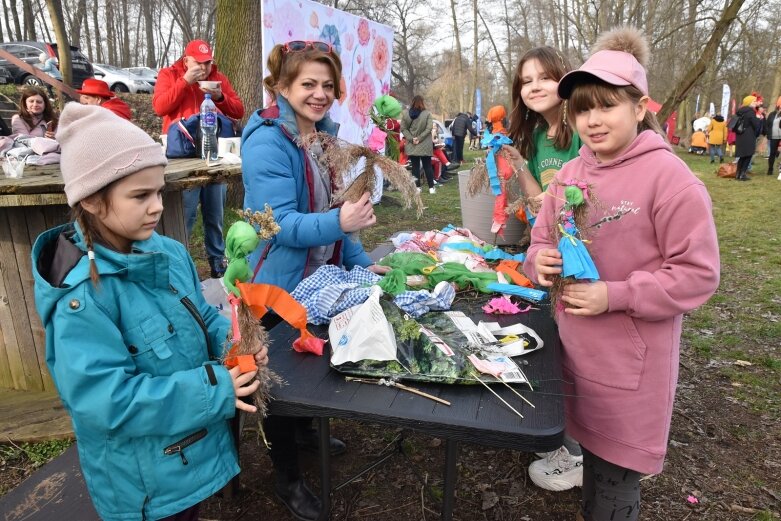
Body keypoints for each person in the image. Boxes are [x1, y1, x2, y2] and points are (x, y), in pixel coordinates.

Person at [31, 103, 267, 521]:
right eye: (140, 195)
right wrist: (215, 388)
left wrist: (233, 341)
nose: (157, 206)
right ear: (91, 200)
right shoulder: (82, 298)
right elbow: (107, 401)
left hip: (185, 459)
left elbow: (200, 315)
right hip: (142, 486)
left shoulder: (170, 253)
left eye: (159, 191)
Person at [525, 27, 720, 521]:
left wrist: (615, 294)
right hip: (573, 353)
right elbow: (542, 238)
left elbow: (697, 274)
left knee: (615, 482)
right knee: (589, 461)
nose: (592, 120)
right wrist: (539, 260)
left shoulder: (670, 180)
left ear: (640, 107)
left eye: (607, 105)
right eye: (583, 109)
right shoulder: (570, 175)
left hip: (630, 367)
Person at [242, 40, 388, 521]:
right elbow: (276, 222)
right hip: (276, 288)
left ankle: (305, 430)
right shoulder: (267, 140)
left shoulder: (325, 138)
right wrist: (339, 225)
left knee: (311, 362)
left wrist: (361, 261)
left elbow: (334, 213)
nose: (320, 93)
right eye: (308, 84)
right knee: (280, 383)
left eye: (327, 85)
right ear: (282, 85)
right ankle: (287, 479)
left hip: (318, 280)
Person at [503, 45, 585, 492]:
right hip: (550, 244)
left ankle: (578, 453)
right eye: (525, 80)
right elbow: (540, 201)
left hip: (581, 249)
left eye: (543, 77)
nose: (533, 86)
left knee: (577, 345)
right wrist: (518, 165)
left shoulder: (579, 131)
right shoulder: (535, 135)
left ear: (565, 80)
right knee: (559, 337)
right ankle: (567, 440)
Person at [153, 39, 245, 278]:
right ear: (186, 61)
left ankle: (217, 263)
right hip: (182, 154)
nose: (204, 69)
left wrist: (220, 96)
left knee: (215, 213)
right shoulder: (170, 74)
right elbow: (160, 107)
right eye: (199, 63)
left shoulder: (218, 77)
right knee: (186, 213)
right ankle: (179, 264)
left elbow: (238, 110)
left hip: (214, 152)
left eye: (207, 63)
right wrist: (185, 82)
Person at [402, 95, 436, 194]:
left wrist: (412, 139)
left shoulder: (405, 114)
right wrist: (420, 138)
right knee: (427, 166)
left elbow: (403, 129)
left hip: (412, 144)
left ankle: (417, 188)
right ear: (422, 102)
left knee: (415, 167)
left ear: (412, 102)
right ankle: (431, 188)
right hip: (425, 144)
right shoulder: (427, 114)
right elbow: (429, 128)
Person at [733, 95, 764, 181]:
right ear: (749, 102)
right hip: (748, 135)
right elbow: (756, 125)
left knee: (742, 155)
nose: (755, 103)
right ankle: (742, 174)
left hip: (740, 135)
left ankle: (738, 174)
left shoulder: (740, 111)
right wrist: (759, 118)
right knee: (748, 154)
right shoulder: (750, 112)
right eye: (754, 101)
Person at [764, 97, 781, 174]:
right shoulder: (772, 114)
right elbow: (767, 125)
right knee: (772, 153)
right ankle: (770, 169)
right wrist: (768, 133)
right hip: (773, 136)